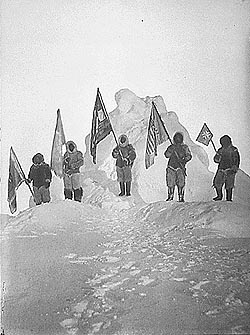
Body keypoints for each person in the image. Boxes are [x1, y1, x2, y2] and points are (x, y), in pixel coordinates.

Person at [164, 132, 192, 202]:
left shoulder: (185, 147)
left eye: (179, 138)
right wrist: (171, 150)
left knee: (181, 183)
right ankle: (170, 196)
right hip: (171, 167)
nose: (178, 140)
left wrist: (183, 159)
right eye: (176, 138)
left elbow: (189, 156)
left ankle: (181, 196)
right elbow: (167, 155)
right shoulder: (171, 147)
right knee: (170, 182)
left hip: (180, 167)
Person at [213, 135, 240, 201]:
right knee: (217, 182)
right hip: (221, 169)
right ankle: (219, 196)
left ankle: (229, 198)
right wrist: (218, 157)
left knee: (229, 185)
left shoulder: (233, 150)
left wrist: (234, 168)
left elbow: (237, 160)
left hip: (230, 169)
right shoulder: (220, 150)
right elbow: (216, 160)